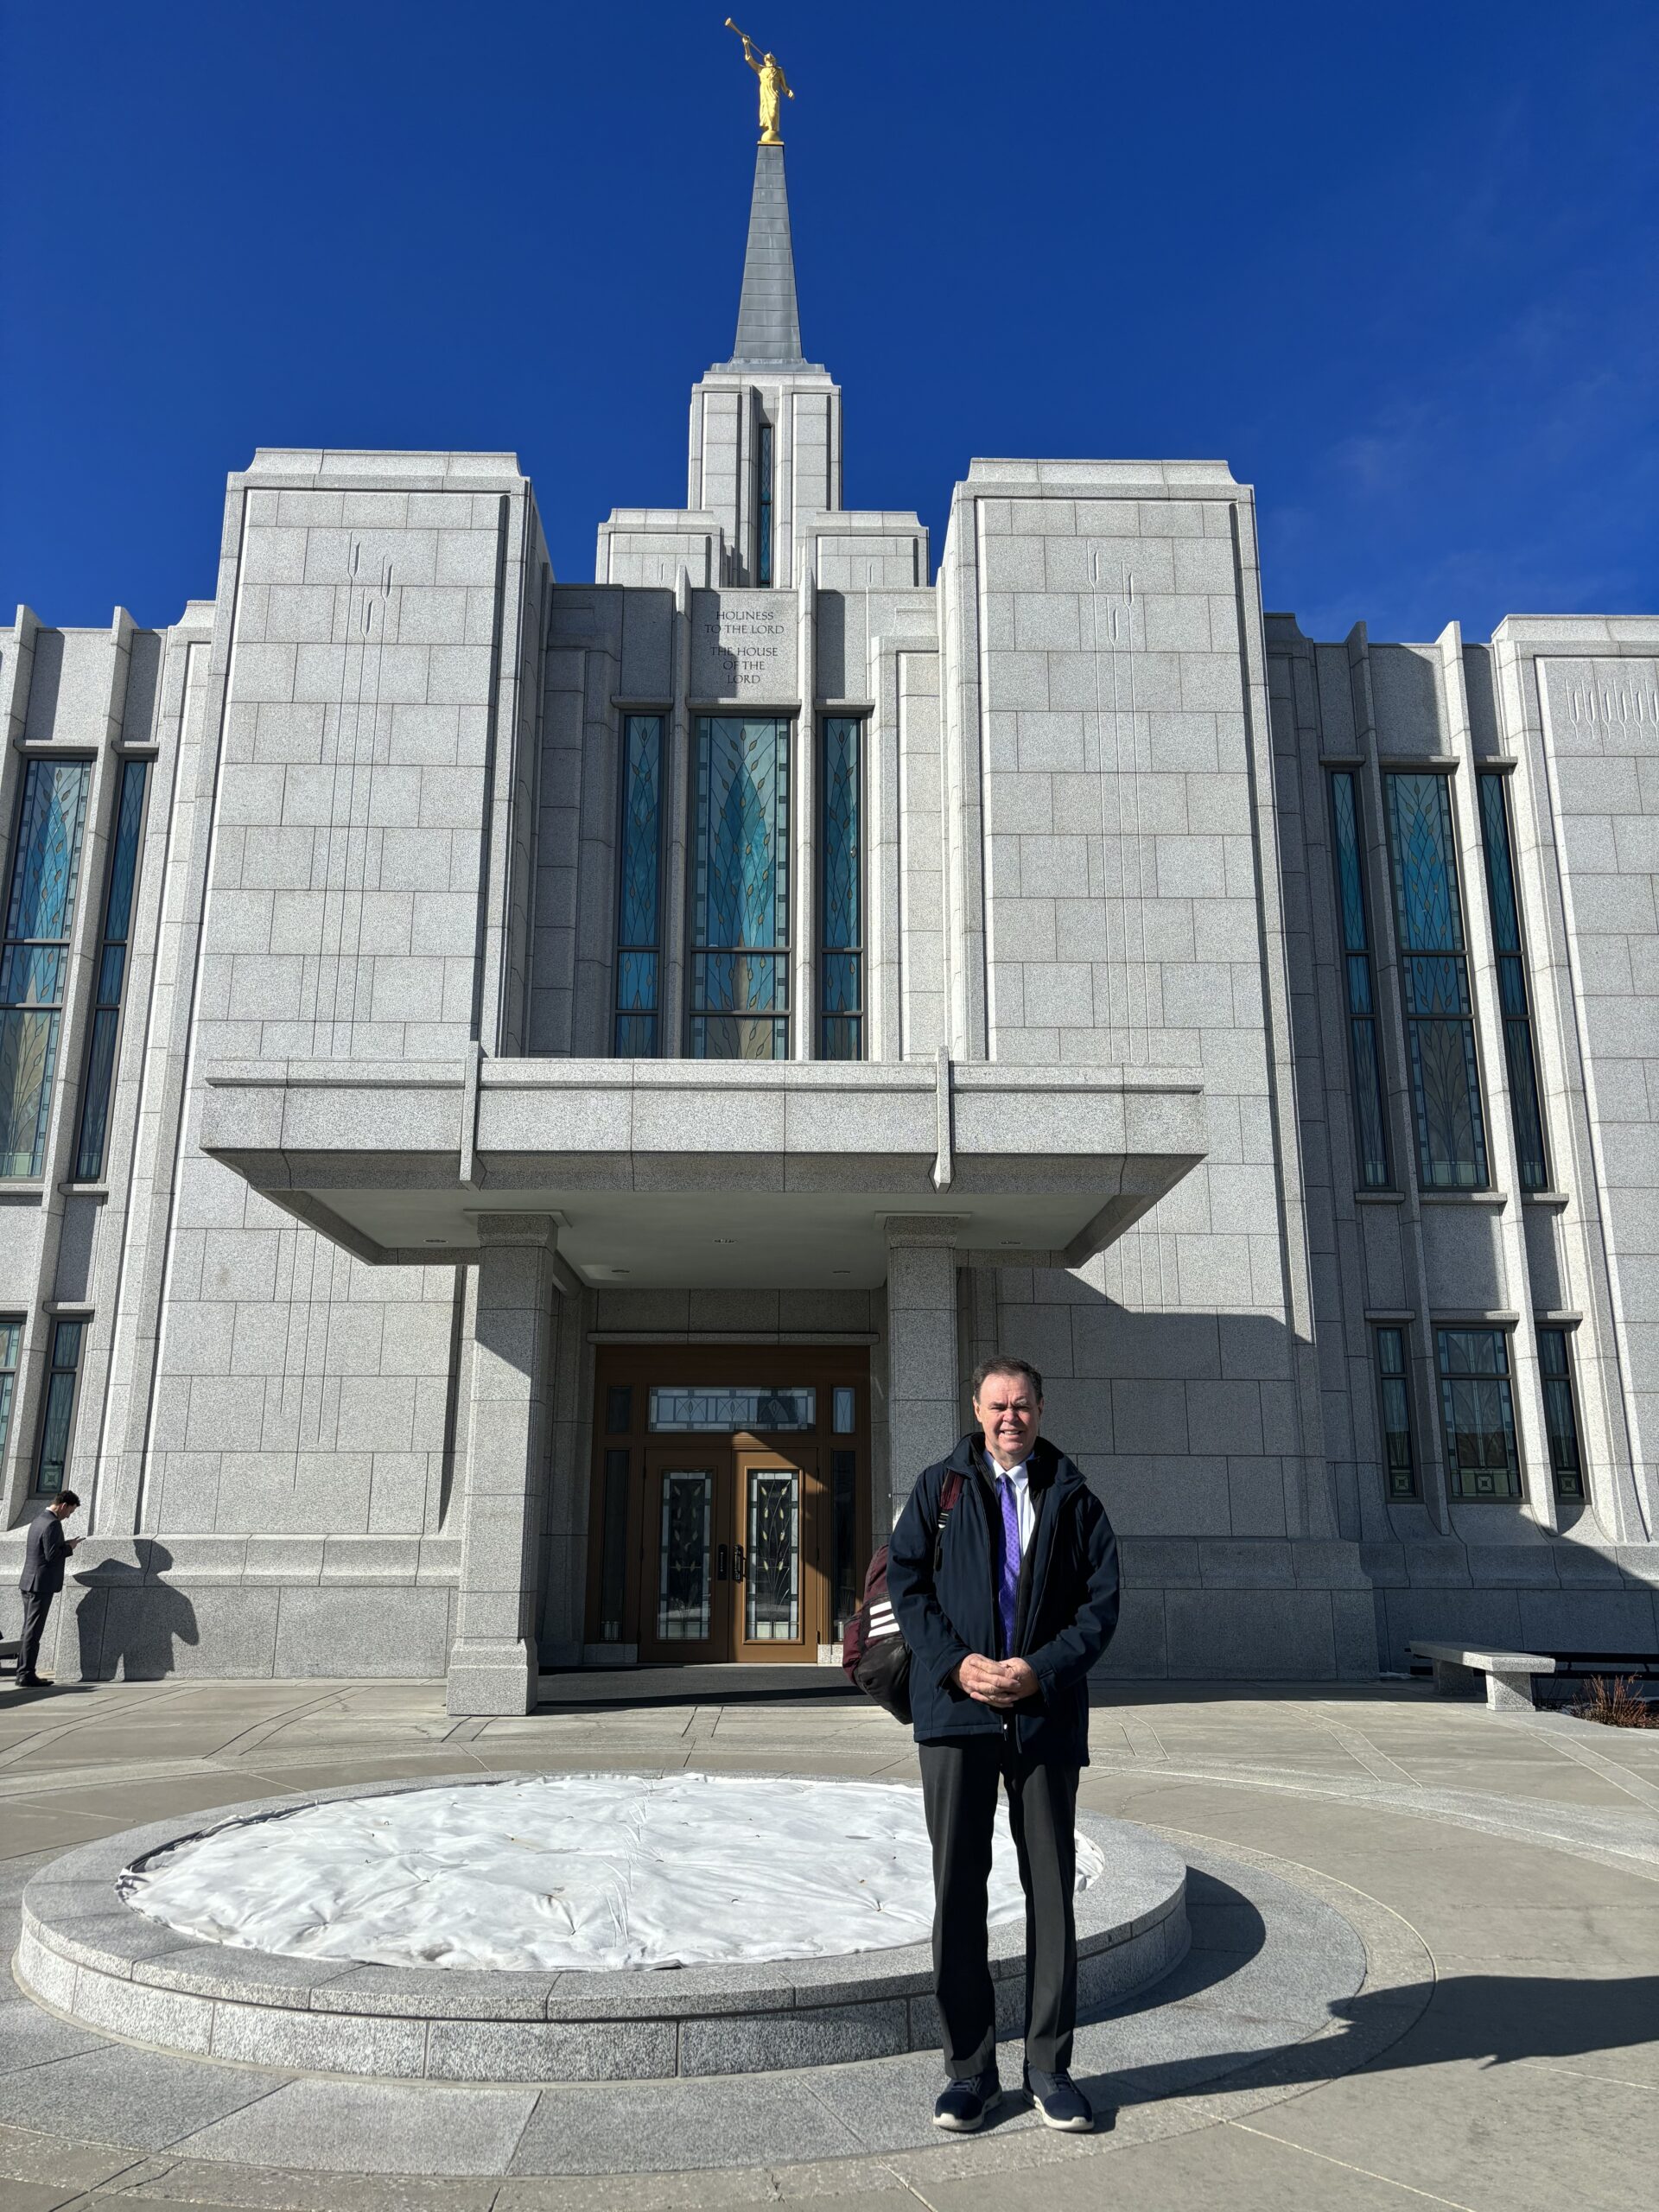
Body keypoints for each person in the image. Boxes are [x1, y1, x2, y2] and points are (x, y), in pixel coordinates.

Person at [887, 1359, 1119, 2134]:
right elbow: (905, 1588)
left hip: (1043, 1716)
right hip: (956, 1713)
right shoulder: (939, 1489)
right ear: (976, 1409)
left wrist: (1038, 1671)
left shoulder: (1073, 1495)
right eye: (997, 1405)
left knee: (1050, 1890)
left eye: (1022, 1405)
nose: (1009, 1417)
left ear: (1041, 1410)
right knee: (959, 1889)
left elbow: (1101, 1605)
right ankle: (969, 2074)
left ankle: (1050, 2068)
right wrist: (958, 1663)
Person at [16, 1491, 81, 1688]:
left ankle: (23, 1671)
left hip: (29, 1581)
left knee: (27, 1630)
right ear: (63, 1505)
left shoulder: (38, 1520)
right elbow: (52, 1555)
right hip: (41, 1584)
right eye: (70, 1510)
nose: (69, 1515)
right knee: (33, 1632)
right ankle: (26, 1674)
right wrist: (70, 1547)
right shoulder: (53, 1524)